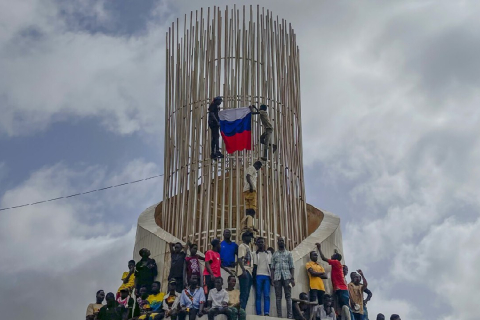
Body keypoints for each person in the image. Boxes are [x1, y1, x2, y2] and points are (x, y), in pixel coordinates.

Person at [316, 243, 349, 311]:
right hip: (339, 289)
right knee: (341, 306)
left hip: (341, 288)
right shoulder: (337, 264)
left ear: (336, 258)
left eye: (333, 255)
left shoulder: (336, 262)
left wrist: (319, 248)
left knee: (345, 307)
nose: (331, 256)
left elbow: (323, 258)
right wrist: (336, 253)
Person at [271, 236, 295, 319]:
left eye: (282, 241)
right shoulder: (274, 254)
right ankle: (279, 316)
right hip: (277, 278)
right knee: (278, 297)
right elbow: (272, 268)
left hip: (287, 277)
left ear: (284, 242)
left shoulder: (289, 253)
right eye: (279, 241)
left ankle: (289, 316)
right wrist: (272, 278)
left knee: (288, 297)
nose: (281, 242)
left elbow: (292, 266)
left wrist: (292, 278)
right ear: (277, 243)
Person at [241, 161, 263, 233]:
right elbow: (248, 176)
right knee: (252, 208)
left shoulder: (251, 168)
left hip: (246, 190)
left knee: (248, 208)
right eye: (258, 167)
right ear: (256, 164)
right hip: (251, 190)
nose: (258, 169)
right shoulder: (252, 168)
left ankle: (247, 224)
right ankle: (251, 225)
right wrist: (251, 186)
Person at [253, 236, 271, 316]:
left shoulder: (269, 253)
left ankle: (266, 312)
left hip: (267, 276)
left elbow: (271, 266)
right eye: (259, 242)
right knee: (258, 295)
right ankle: (259, 313)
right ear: (256, 244)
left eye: (262, 242)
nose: (260, 243)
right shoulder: (254, 254)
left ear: (264, 243)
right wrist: (253, 279)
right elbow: (254, 267)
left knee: (267, 295)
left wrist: (272, 278)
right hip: (258, 276)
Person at [237, 231, 253, 310]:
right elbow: (240, 259)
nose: (250, 238)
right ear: (244, 238)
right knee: (244, 292)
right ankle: (241, 310)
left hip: (249, 272)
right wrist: (243, 271)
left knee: (247, 293)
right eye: (248, 236)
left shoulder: (248, 247)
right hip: (245, 272)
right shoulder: (242, 246)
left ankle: (243, 309)